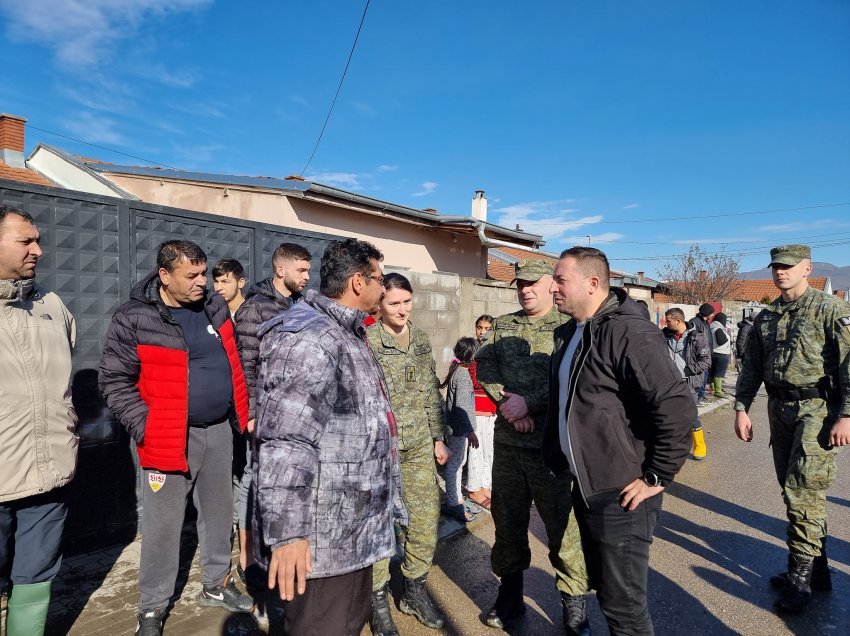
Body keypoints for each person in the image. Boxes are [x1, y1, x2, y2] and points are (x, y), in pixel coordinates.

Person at [99, 240, 252, 636]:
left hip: (219, 430)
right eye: (193, 276)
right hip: (167, 436)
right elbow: (114, 381)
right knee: (163, 526)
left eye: (205, 273)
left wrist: (240, 411)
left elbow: (232, 361)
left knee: (220, 515)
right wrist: (147, 426)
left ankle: (216, 585)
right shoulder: (135, 317)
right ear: (165, 276)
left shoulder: (214, 307)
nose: (205, 283)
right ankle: (152, 607)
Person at [254, 238, 406, 636]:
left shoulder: (345, 332)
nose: (383, 289)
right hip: (320, 542)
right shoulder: (309, 337)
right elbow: (286, 440)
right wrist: (289, 534)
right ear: (358, 282)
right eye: (378, 279)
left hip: (350, 534)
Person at [544, 247, 694, 635]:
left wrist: (656, 476)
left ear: (593, 283)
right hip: (588, 485)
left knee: (623, 606)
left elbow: (677, 407)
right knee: (607, 593)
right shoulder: (572, 332)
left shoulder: (628, 331)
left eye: (561, 280)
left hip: (623, 491)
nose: (552, 287)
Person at [734, 244, 850, 614]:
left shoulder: (830, 308)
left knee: (803, 491)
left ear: (807, 268)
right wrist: (741, 407)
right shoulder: (767, 316)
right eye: (775, 266)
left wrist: (846, 414)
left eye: (788, 266)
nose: (780, 272)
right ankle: (818, 570)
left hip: (817, 410)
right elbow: (751, 365)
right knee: (793, 490)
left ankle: (799, 579)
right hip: (778, 408)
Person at [475, 258, 590, 634]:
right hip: (509, 446)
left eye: (532, 283)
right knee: (508, 526)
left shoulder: (568, 326)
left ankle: (574, 605)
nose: (525, 289)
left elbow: (574, 378)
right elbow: (485, 367)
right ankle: (510, 598)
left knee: (562, 528)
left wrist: (531, 403)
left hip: (550, 448)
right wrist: (509, 406)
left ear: (550, 284)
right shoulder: (503, 325)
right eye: (519, 284)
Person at [0, 205, 77, 636]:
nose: (39, 250)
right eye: (25, 241)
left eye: (38, 240)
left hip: (51, 470)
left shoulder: (50, 304)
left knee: (37, 577)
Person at [366, 272, 450, 634]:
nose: (402, 309)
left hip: (418, 447)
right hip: (381, 448)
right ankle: (377, 598)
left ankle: (414, 588)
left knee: (425, 518)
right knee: (380, 525)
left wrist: (438, 437)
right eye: (393, 303)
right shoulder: (367, 341)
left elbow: (431, 390)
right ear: (379, 306)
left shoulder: (421, 339)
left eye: (407, 301)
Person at [232, 243, 311, 591]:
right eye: (301, 271)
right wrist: (250, 413)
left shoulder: (300, 306)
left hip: (294, 412)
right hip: (263, 411)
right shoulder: (255, 308)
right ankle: (247, 557)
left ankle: (280, 547)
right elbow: (244, 363)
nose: (307, 277)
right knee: (253, 477)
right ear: (281, 270)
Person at [441, 337, 481, 523]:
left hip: (457, 429)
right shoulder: (463, 376)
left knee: (457, 464)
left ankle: (456, 498)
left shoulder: (457, 371)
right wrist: (471, 432)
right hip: (459, 430)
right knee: (455, 466)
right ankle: (453, 503)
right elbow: (462, 407)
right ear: (472, 356)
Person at [664, 308, 712, 460]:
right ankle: (673, 447)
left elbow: (706, 362)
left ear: (678, 321)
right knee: (669, 417)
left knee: (690, 417)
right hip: (668, 384)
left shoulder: (697, 337)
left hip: (688, 383)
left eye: (668, 321)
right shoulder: (664, 335)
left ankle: (699, 445)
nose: (666, 323)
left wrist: (688, 370)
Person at [468, 315, 496, 509]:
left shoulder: (494, 350)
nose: (482, 331)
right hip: (476, 408)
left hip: (492, 409)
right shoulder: (471, 351)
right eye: (480, 327)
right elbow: (474, 379)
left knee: (489, 450)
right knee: (476, 451)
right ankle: (473, 489)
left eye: (487, 328)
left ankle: (485, 485)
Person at [692, 303, 715, 403]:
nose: (713, 315)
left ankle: (701, 394)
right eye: (712, 313)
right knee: (700, 376)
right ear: (707, 313)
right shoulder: (695, 322)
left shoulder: (706, 323)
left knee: (705, 376)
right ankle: (698, 395)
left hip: (706, 354)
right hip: (698, 355)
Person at [709, 312, 731, 398]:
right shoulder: (718, 329)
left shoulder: (712, 327)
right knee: (719, 373)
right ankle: (718, 391)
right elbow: (721, 341)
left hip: (713, 352)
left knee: (713, 372)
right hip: (721, 353)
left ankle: (712, 388)